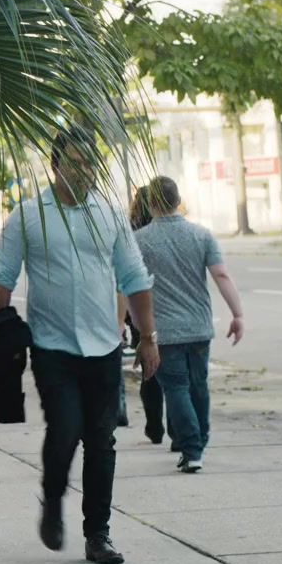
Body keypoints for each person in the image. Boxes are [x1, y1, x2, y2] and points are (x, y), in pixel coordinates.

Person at [0, 130, 159, 564]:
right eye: (76, 162)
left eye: (90, 163)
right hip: (52, 346)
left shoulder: (110, 214)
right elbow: (1, 280)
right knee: (65, 428)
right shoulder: (28, 216)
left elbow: (135, 278)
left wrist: (148, 338)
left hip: (104, 346)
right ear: (55, 164)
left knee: (101, 440)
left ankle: (97, 534)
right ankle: (52, 497)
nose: (84, 171)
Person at [133, 176, 245, 473]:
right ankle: (200, 443)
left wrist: (135, 327)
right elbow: (221, 275)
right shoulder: (202, 235)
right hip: (198, 327)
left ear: (151, 203)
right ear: (178, 201)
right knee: (198, 386)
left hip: (164, 331)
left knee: (176, 388)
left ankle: (192, 449)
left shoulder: (139, 240)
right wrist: (238, 314)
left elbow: (130, 286)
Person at [119, 189, 170, 443]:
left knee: (149, 370)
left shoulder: (130, 234)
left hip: (139, 310)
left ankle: (154, 426)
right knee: (173, 371)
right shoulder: (167, 232)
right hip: (168, 308)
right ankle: (177, 430)